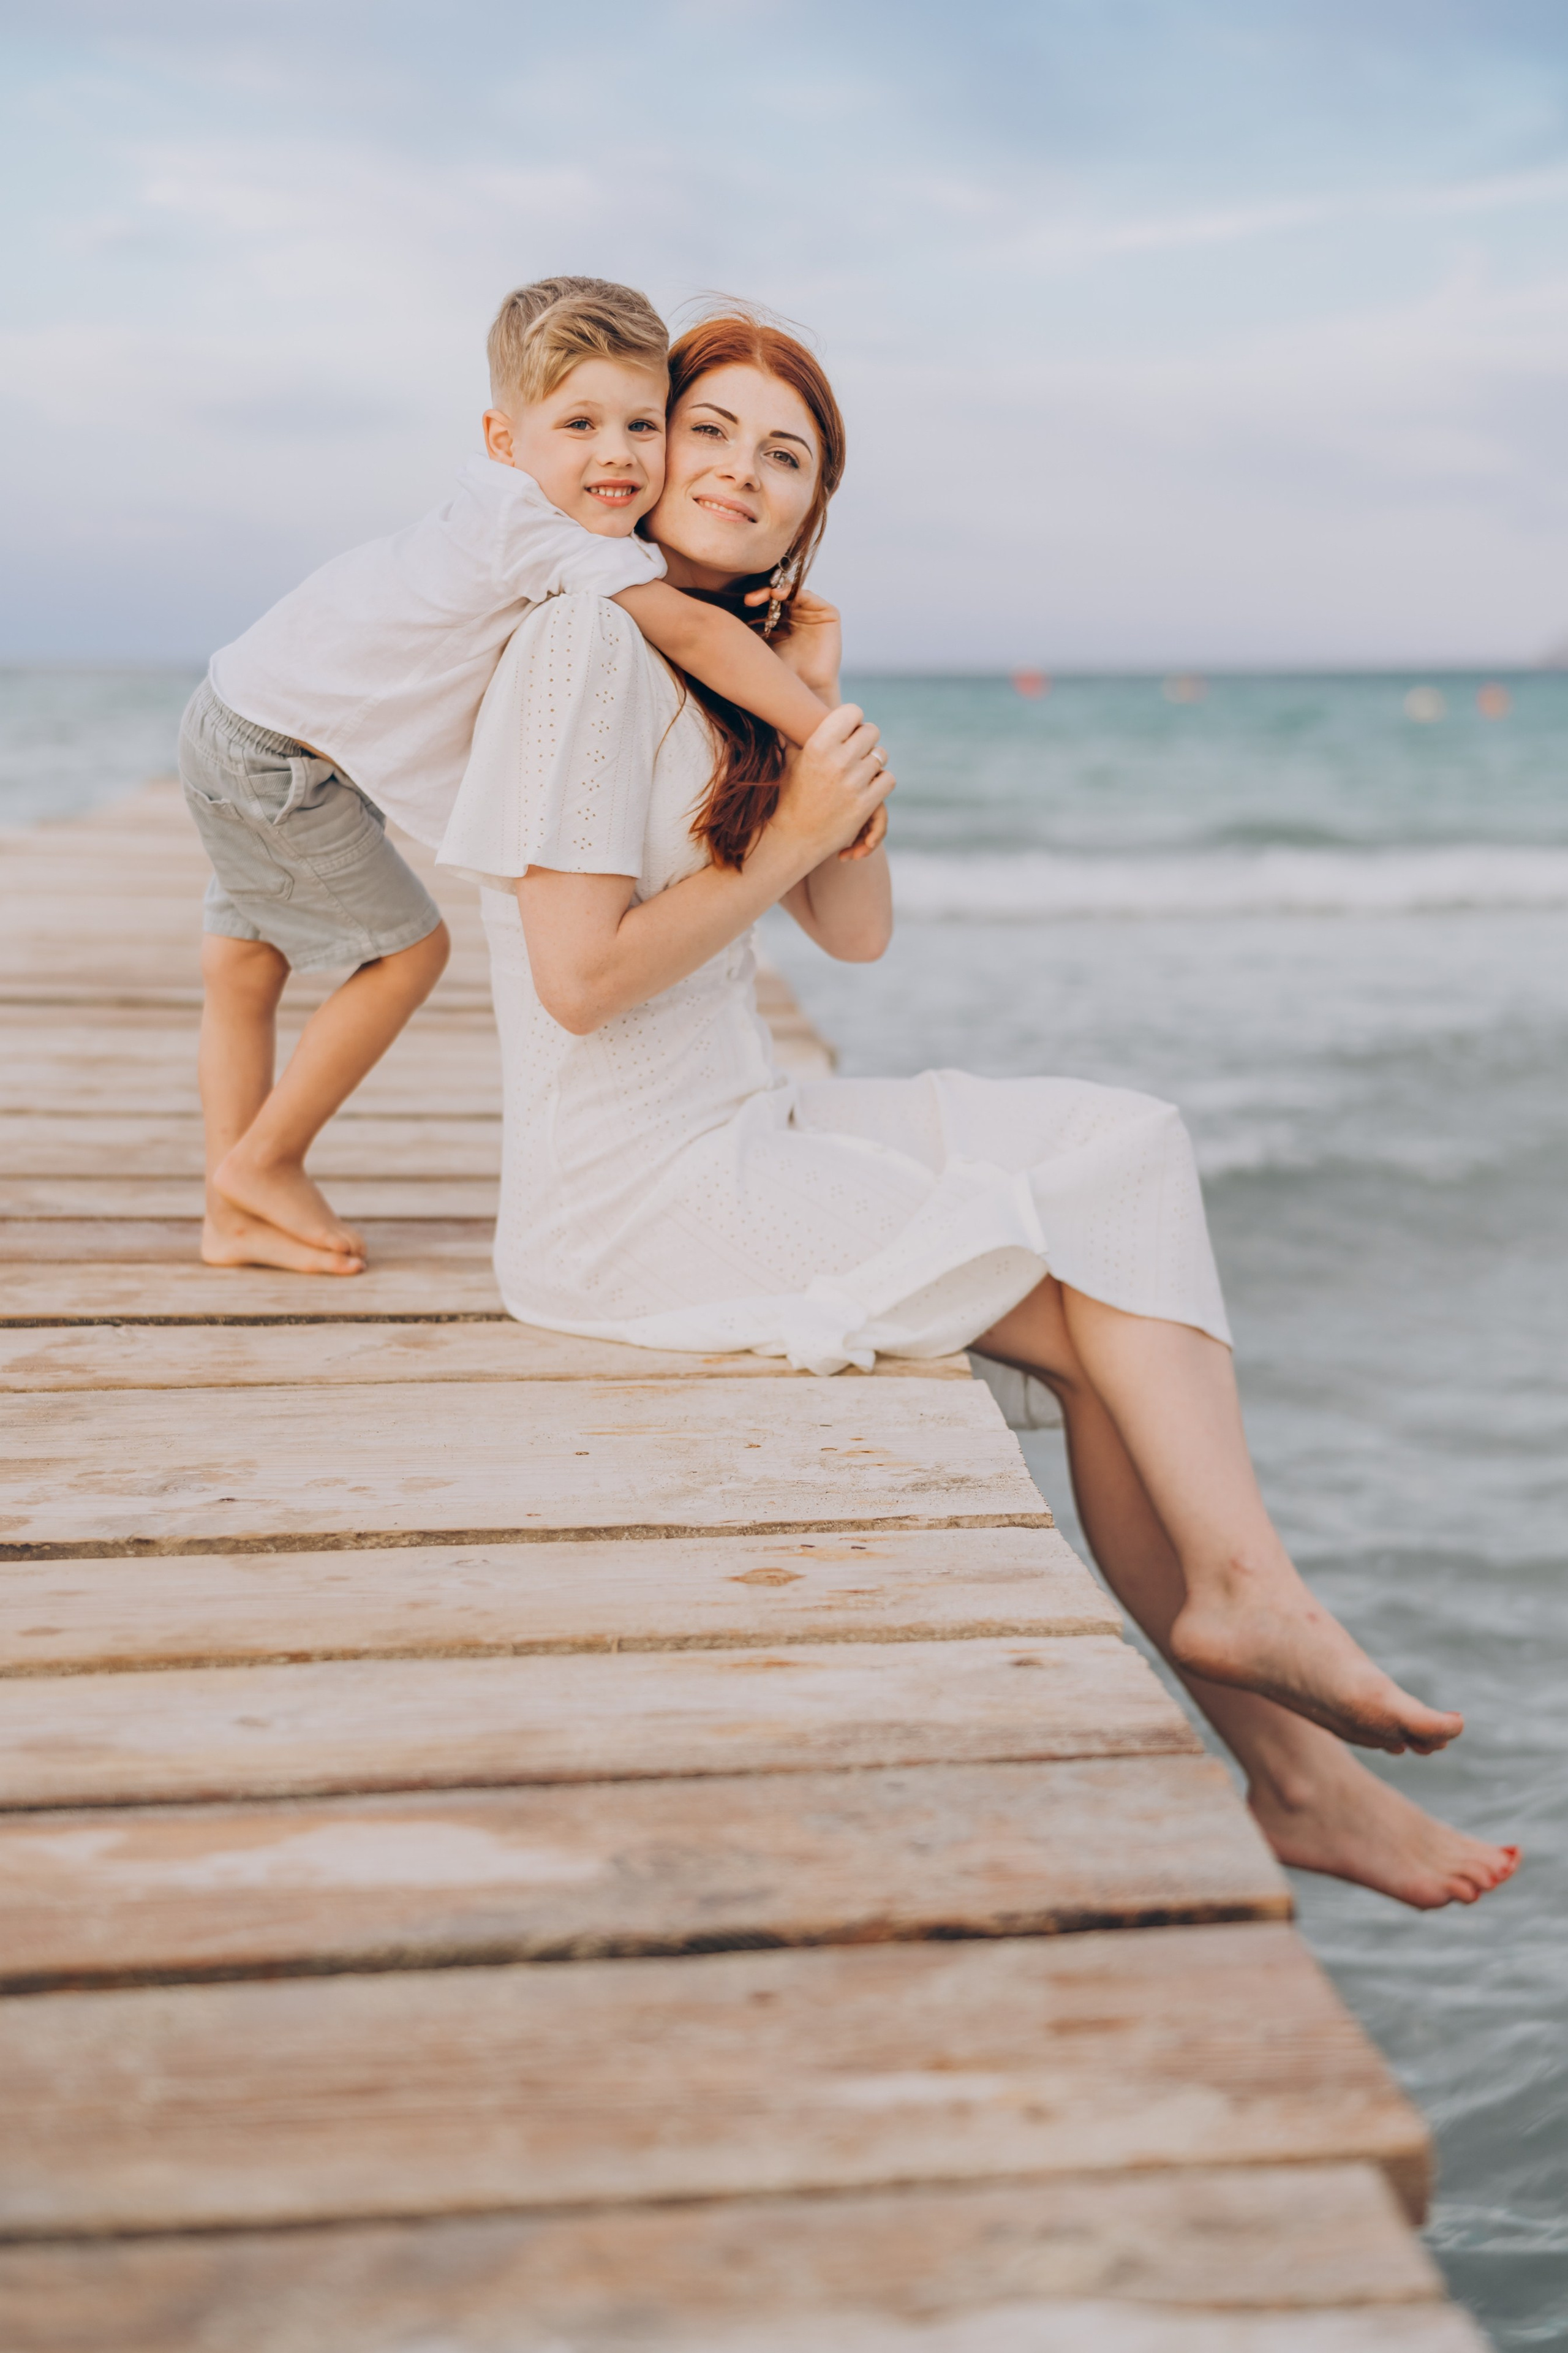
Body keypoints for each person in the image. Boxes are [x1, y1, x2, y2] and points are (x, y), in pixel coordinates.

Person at [438, 312, 1519, 1913]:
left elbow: (856, 934)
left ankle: (1256, 1636)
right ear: (653, 453)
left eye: (785, 458)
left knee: (1125, 1150)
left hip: (747, 1125)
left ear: (815, 514)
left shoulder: (723, 664)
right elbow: (584, 980)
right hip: (632, 1194)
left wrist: (816, 711)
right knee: (1091, 1326)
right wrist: (793, 830)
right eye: (713, 432)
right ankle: (1280, 1717)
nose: (739, 471)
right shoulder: (581, 648)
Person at [178, 277, 850, 1278]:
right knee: (408, 954)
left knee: (244, 965)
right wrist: (828, 733)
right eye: (580, 423)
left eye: (642, 424)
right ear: (504, 439)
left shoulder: (512, 508)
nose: (617, 455)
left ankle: (228, 1203)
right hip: (281, 753)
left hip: (248, 711)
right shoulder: (548, 533)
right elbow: (694, 629)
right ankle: (263, 1163)